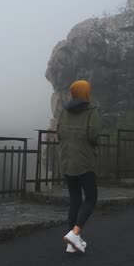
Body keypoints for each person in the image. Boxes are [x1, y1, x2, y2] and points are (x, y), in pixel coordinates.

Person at [57, 80, 101, 254]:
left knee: (75, 200)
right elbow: (93, 135)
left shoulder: (64, 111)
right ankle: (75, 234)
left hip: (67, 161)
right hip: (85, 162)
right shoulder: (91, 111)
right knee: (90, 199)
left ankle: (71, 244)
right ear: (86, 93)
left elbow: (59, 134)